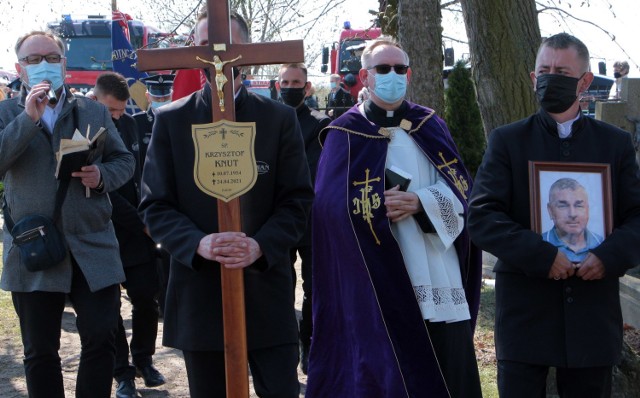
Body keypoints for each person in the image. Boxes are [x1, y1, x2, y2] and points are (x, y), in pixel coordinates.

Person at [138, 9, 313, 398]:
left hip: (266, 292)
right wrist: (197, 243)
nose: (213, 54)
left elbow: (297, 200)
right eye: (203, 46)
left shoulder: (279, 119)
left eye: (225, 46)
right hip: (201, 293)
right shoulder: (171, 121)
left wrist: (260, 245)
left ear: (245, 53)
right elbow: (154, 204)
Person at [307, 37, 483, 398]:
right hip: (374, 273)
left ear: (409, 73)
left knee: (447, 359)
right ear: (365, 76)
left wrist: (420, 202)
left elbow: (464, 192)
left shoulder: (431, 125)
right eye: (382, 69)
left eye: (399, 69)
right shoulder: (344, 133)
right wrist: (370, 206)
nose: (392, 75)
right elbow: (326, 209)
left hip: (435, 266)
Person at [468, 33, 640, 397]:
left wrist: (608, 257)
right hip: (526, 312)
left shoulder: (614, 144)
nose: (549, 77)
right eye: (543, 70)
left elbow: (638, 217)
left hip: (592, 313)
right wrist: (542, 255)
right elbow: (482, 216)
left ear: (585, 81)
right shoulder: (507, 141)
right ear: (533, 78)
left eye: (561, 71)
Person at [0, 31, 134, 397]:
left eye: (50, 56)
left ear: (63, 62)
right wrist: (28, 119)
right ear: (19, 68)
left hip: (92, 244)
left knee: (101, 338)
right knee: (40, 351)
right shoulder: (5, 113)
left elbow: (124, 159)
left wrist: (102, 174)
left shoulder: (92, 109)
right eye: (32, 59)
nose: (42, 64)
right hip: (34, 248)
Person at [92, 72, 165, 398]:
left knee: (146, 301)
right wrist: (141, 222)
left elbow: (145, 174)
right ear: (95, 100)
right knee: (111, 313)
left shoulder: (133, 124)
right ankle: (122, 374)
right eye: (112, 112)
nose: (119, 117)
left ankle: (144, 360)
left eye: (122, 110)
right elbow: (102, 191)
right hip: (105, 234)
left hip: (139, 235)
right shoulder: (84, 134)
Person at [276, 62, 330, 375]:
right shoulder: (268, 123)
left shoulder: (322, 125)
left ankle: (309, 345)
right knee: (282, 284)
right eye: (285, 82)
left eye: (296, 82)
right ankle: (285, 346)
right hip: (280, 217)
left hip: (314, 217)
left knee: (314, 286)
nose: (290, 87)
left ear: (307, 88)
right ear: (276, 85)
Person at [133, 73, 175, 319]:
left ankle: (169, 308)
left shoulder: (180, 121)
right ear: (148, 97)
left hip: (170, 205)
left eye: (166, 95)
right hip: (142, 203)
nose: (162, 99)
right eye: (157, 96)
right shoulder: (135, 123)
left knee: (170, 264)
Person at [542, 178, 604, 263]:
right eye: (563, 206)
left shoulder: (602, 243)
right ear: (550, 210)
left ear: (587, 209)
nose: (572, 214)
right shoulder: (540, 244)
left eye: (579, 206)